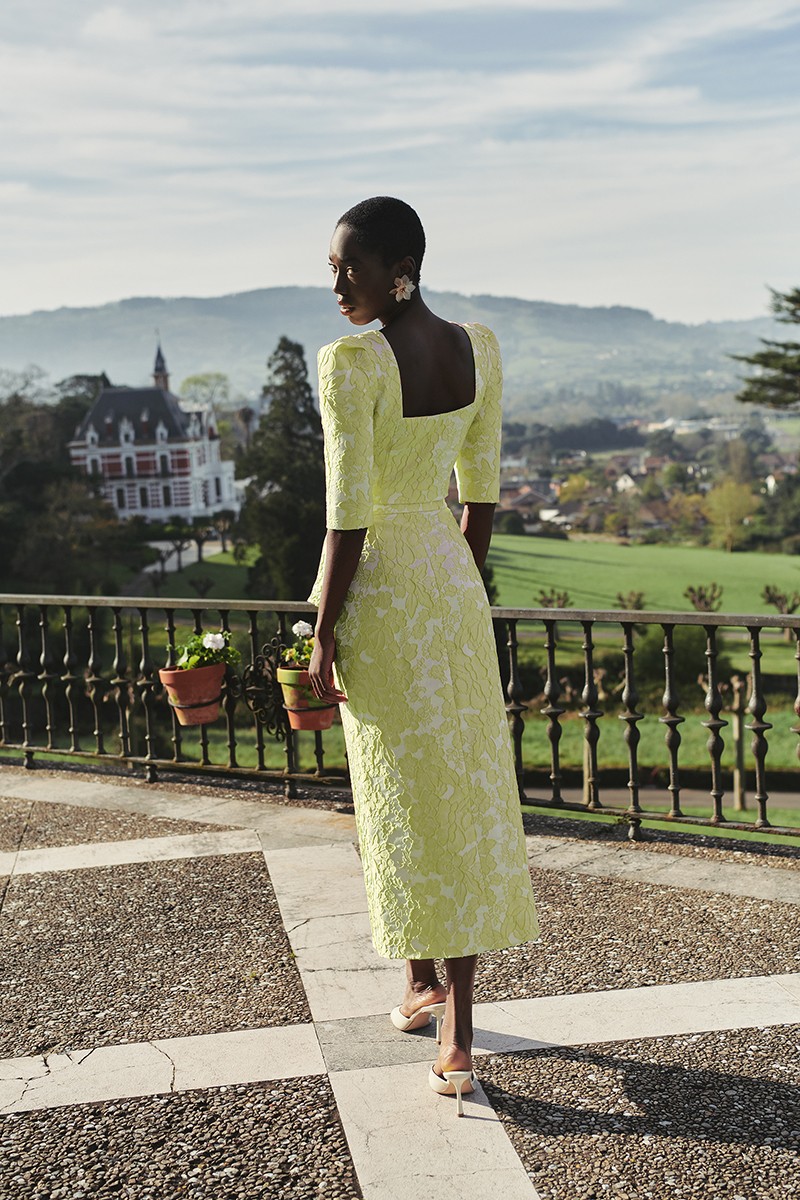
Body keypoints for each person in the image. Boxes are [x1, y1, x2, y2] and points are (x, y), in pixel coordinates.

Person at [307, 196, 539, 1116]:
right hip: (450, 584)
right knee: (460, 792)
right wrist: (457, 591)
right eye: (332, 268)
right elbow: (479, 500)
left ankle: (434, 1002)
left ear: (397, 271)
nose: (337, 285)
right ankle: (443, 1012)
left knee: (400, 792)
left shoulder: (351, 364)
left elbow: (348, 516)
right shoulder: (479, 349)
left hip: (380, 590)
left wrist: (324, 628)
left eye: (350, 268)